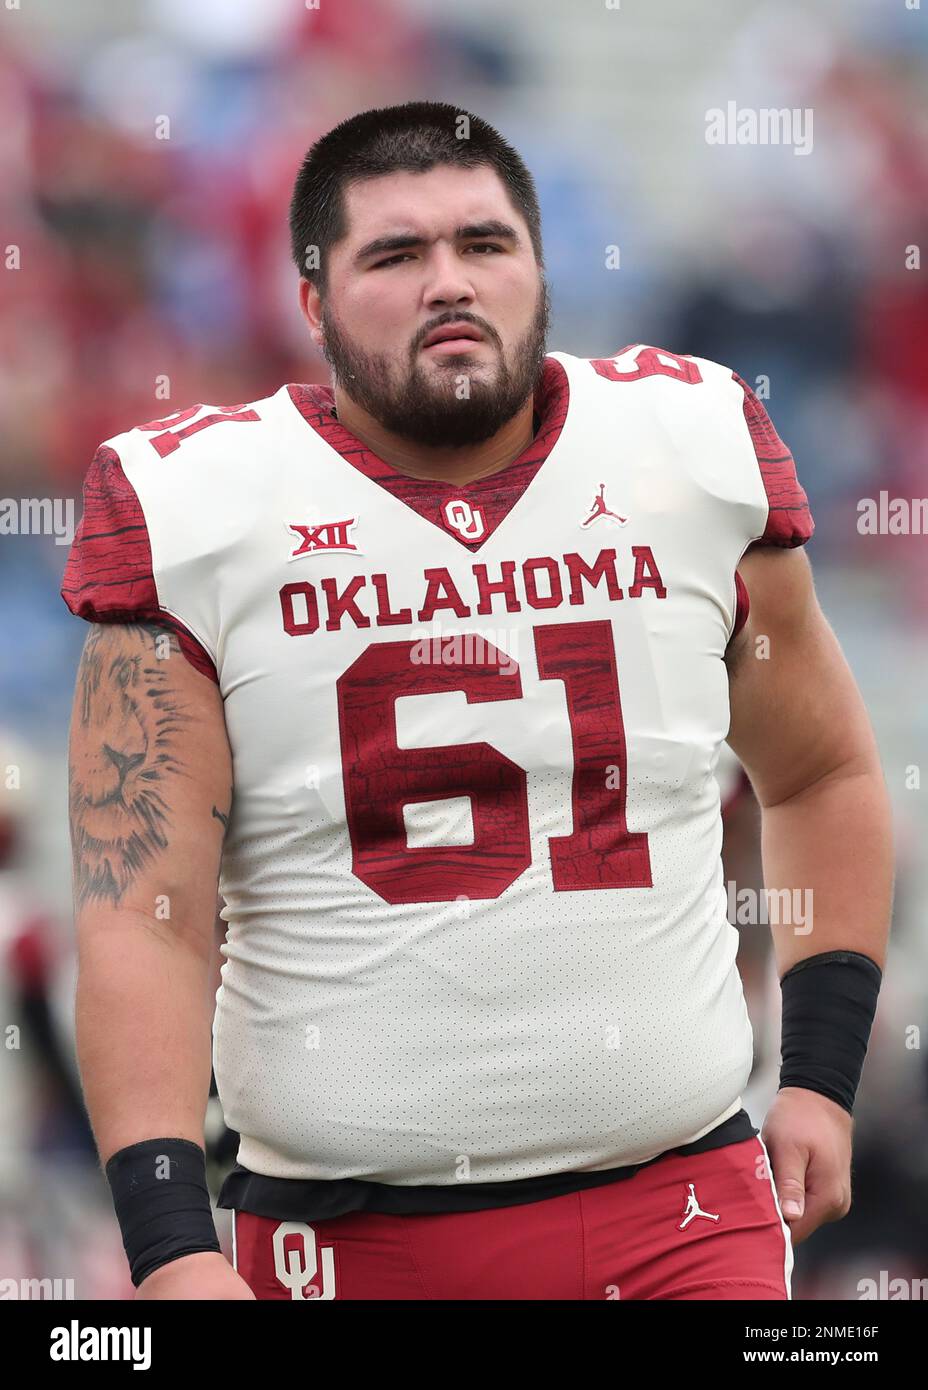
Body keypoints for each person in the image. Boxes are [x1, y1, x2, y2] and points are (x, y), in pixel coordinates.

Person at [61, 101, 892, 1301]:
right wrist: (169, 1243)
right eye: (395, 255)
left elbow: (820, 772)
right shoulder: (199, 508)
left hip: (683, 1214)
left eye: (483, 245)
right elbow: (145, 910)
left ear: (538, 268)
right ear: (312, 302)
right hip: (346, 1242)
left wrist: (816, 1076)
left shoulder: (681, 446)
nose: (448, 282)